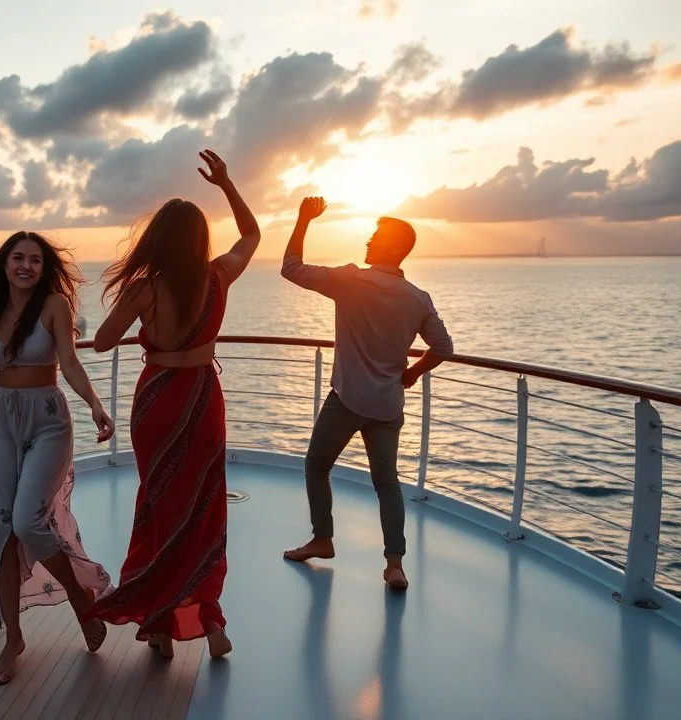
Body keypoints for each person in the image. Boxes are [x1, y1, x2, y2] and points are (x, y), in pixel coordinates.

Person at [83, 149, 257, 660]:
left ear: (157, 240)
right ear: (201, 240)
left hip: (158, 401)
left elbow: (102, 342)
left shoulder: (145, 289)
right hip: (203, 400)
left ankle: (159, 627)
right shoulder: (219, 276)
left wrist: (141, 318)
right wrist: (226, 184)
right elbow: (252, 236)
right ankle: (210, 618)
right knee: (203, 509)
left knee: (159, 506)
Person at [0, 230, 115, 686]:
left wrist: (96, 405)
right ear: (4, 264)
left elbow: (71, 363)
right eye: (18, 258)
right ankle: (13, 640)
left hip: (47, 419)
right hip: (2, 421)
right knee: (2, 531)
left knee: (28, 521)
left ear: (44, 268)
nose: (26, 266)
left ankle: (81, 599)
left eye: (35, 260)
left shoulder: (54, 305)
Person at [279, 198, 454, 591]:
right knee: (386, 483)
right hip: (387, 404)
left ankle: (322, 539)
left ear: (393, 247)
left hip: (347, 399)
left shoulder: (351, 280)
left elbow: (290, 268)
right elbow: (443, 348)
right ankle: (395, 565)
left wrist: (304, 219)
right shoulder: (417, 297)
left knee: (316, 466)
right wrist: (409, 374)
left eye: (377, 236)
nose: (369, 240)